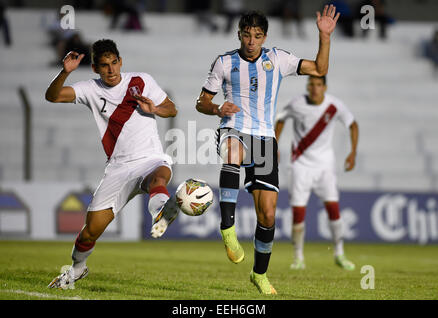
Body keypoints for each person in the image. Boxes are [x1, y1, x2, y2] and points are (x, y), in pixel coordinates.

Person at [195, 6, 340, 294]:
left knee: (269, 215)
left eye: (257, 36)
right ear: (239, 34)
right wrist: (216, 108)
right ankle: (228, 228)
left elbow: (320, 70)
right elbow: (201, 102)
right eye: (247, 35)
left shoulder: (278, 58)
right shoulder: (224, 62)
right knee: (233, 153)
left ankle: (259, 274)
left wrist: (324, 36)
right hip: (233, 127)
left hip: (264, 138)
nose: (251, 41)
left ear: (265, 37)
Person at [45, 39, 179, 289]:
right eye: (104, 65)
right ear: (95, 68)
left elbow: (171, 109)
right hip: (118, 169)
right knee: (90, 231)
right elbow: (52, 96)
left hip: (150, 158)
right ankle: (77, 269)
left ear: (121, 61)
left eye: (114, 63)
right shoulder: (90, 88)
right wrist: (65, 72)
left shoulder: (141, 81)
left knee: (159, 178)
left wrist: (156, 109)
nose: (111, 70)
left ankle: (160, 212)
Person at [274, 75, 359, 271]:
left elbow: (353, 124)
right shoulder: (296, 103)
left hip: (324, 166)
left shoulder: (334, 105)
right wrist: (275, 145)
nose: (314, 88)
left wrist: (353, 152)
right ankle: (298, 258)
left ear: (324, 87)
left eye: (318, 84)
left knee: (333, 209)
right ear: (307, 86)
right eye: (311, 84)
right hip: (300, 165)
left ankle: (339, 253)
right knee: (298, 212)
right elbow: (280, 119)